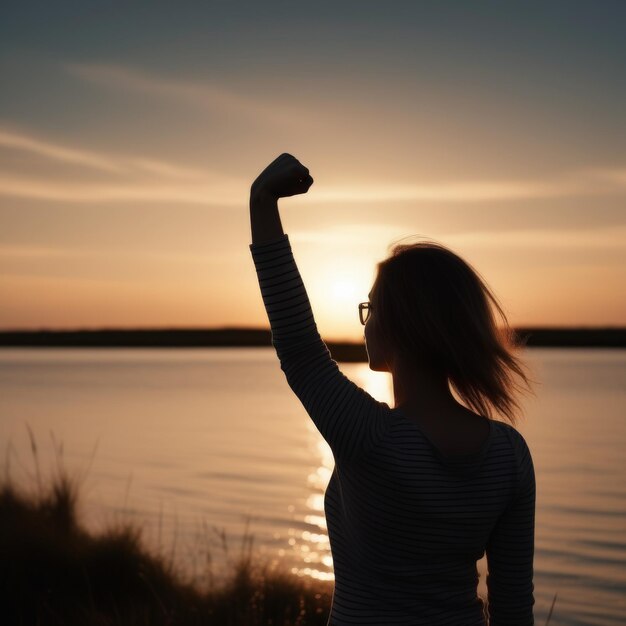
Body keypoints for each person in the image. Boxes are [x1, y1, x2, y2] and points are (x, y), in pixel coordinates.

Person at [249, 153, 536, 625]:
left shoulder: (369, 436)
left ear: (403, 322)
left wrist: (262, 201)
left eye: (371, 307)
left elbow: (298, 346)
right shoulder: (510, 456)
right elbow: (512, 610)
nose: (365, 322)